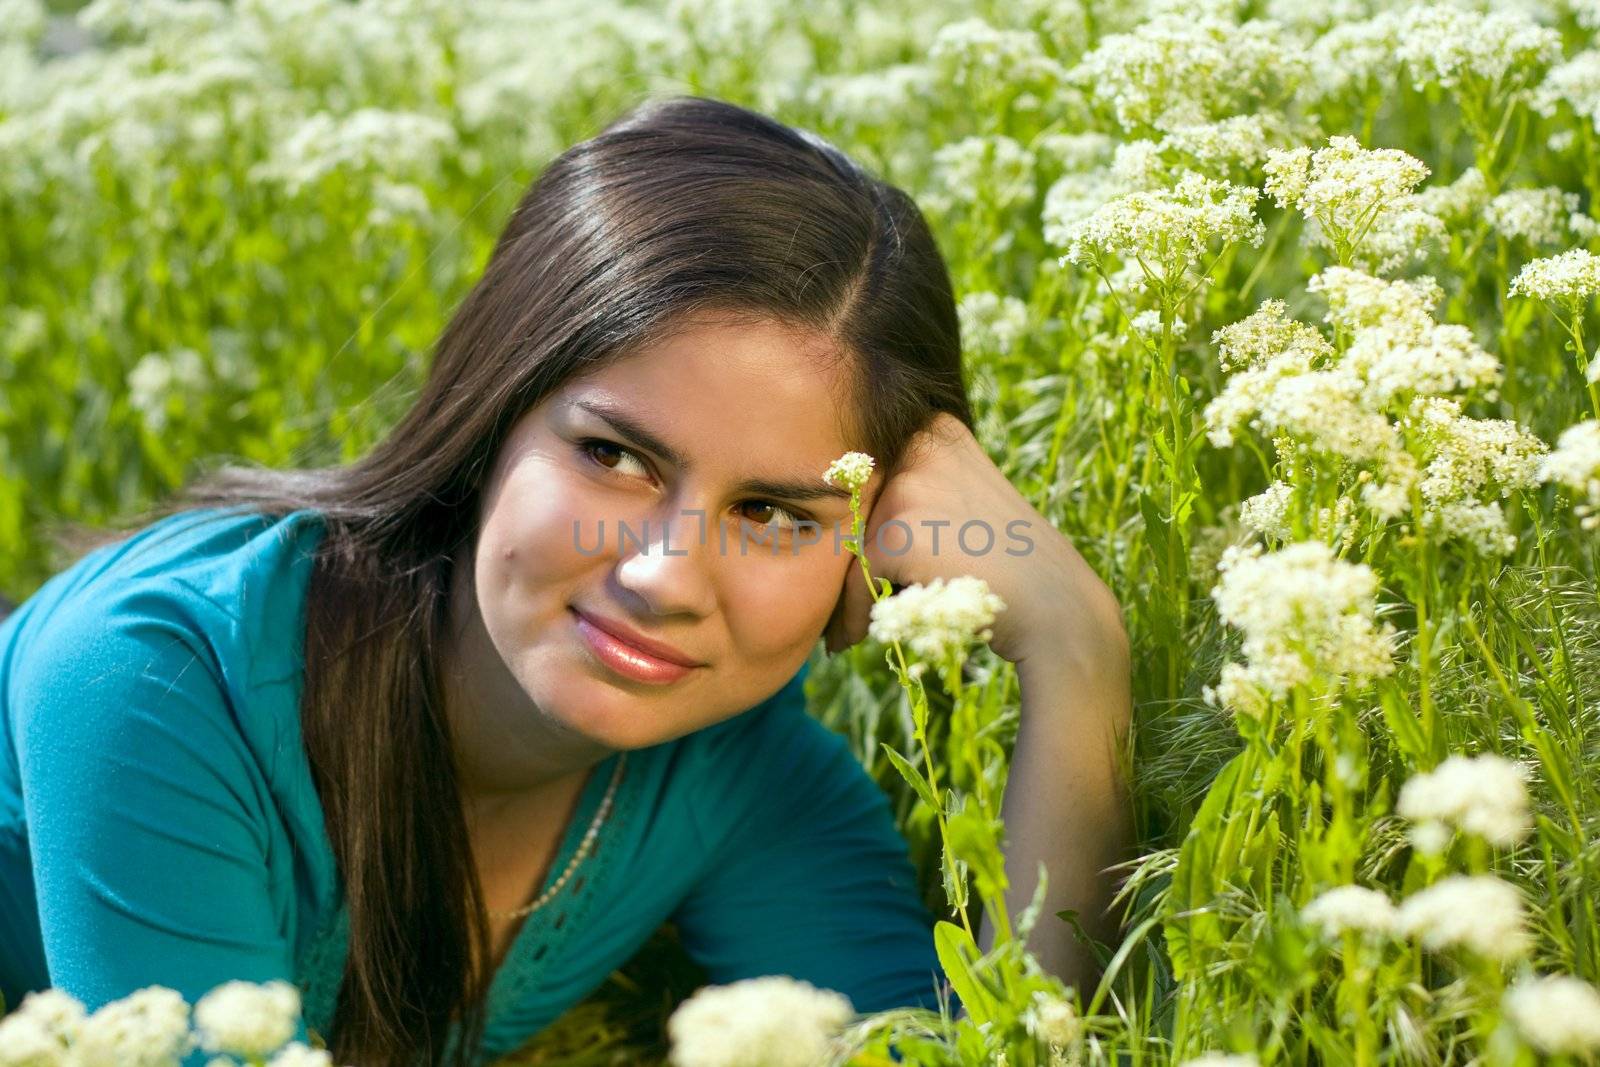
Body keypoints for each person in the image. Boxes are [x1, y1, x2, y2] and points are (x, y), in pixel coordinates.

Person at [0, 95, 1132, 1066]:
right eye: (614, 455)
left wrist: (1077, 652)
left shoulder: (740, 778)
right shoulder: (153, 671)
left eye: (775, 513)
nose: (664, 575)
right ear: (491, 415)